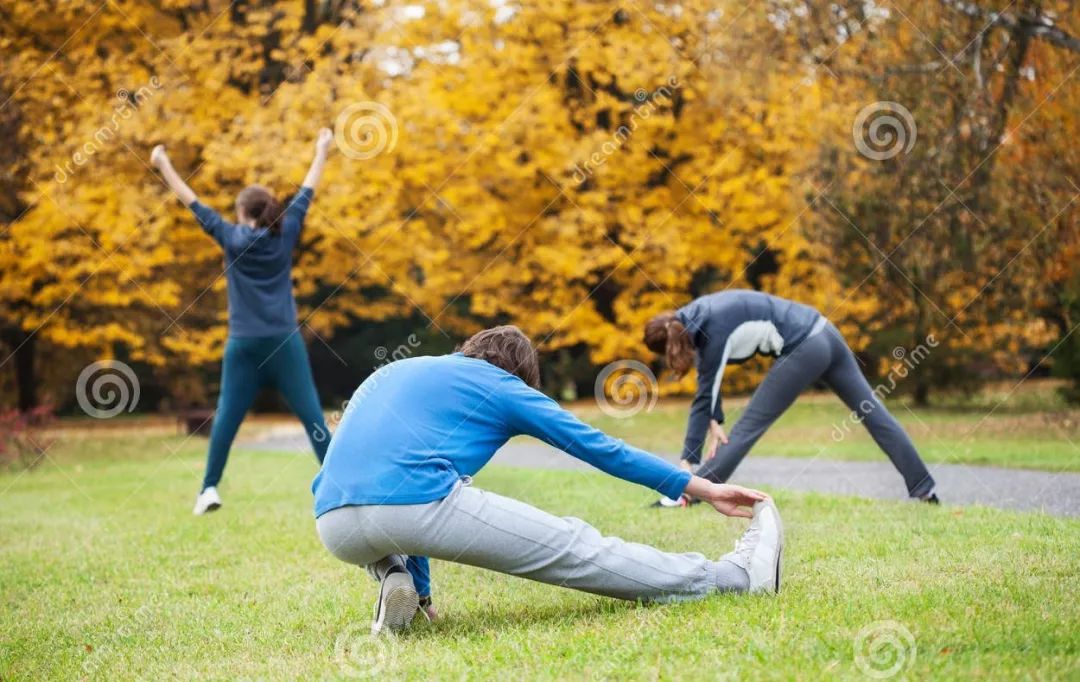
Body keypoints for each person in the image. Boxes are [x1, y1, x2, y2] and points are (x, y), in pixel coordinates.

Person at [312, 326, 784, 635]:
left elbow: (385, 467)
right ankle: (735, 578)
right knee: (575, 546)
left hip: (333, 525)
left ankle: (396, 579)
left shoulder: (395, 371)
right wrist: (702, 486)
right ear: (518, 377)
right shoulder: (501, 384)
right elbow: (602, 448)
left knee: (401, 504)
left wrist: (424, 592)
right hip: (413, 505)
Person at [150, 129, 334, 515]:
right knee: (312, 416)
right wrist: (321, 149)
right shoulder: (287, 233)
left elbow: (190, 199)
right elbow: (308, 188)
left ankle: (209, 489)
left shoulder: (230, 237)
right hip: (284, 340)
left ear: (242, 214)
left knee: (228, 416)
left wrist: (163, 162)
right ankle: (341, 484)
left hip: (244, 342)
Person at [643, 290, 938, 507]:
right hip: (826, 331)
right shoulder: (700, 311)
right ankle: (925, 490)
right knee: (875, 415)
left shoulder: (708, 334)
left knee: (747, 428)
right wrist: (715, 418)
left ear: (671, 347)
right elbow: (711, 381)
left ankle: (687, 496)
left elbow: (704, 393)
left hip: (804, 347)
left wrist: (687, 462)